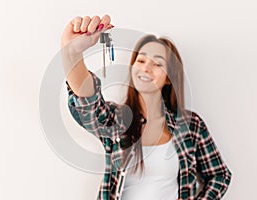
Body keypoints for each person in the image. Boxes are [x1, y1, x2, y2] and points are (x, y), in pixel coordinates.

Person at [61, 15, 232, 200]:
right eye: (141, 61)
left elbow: (220, 175)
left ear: (169, 77)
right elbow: (87, 103)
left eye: (158, 63)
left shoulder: (191, 126)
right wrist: (72, 54)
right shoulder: (116, 120)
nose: (146, 68)